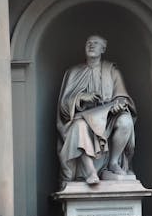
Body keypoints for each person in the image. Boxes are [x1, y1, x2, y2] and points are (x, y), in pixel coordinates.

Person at [57, 35, 136, 185]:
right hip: (82, 119)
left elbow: (122, 97)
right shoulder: (73, 72)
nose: (91, 45)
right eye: (88, 42)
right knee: (78, 126)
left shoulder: (112, 71)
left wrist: (118, 105)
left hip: (107, 119)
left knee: (125, 121)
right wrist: (80, 97)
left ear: (103, 49)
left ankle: (113, 163)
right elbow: (63, 106)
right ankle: (90, 171)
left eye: (96, 43)